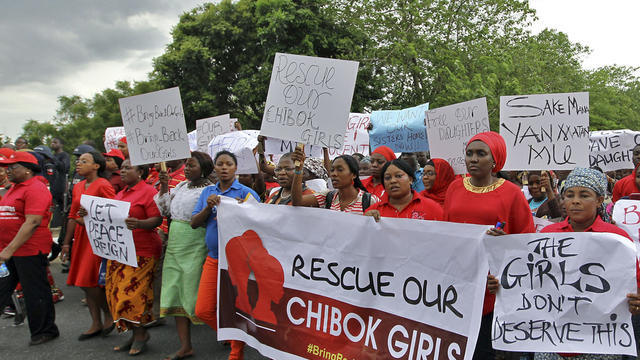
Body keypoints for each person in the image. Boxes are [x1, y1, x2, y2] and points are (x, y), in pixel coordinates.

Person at [443, 131, 534, 360]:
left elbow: (527, 241)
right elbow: (444, 230)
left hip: (493, 288)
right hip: (459, 281)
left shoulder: (512, 193)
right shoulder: (454, 187)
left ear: (495, 160)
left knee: (483, 350)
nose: (473, 159)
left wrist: (505, 242)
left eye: (481, 154)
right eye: (469, 153)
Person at [532, 167, 640, 360]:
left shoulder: (617, 239)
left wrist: (636, 301)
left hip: (600, 343)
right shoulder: (548, 236)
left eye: (584, 195)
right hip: (552, 342)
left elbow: (635, 284)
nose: (575, 201)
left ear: (599, 200)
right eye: (569, 195)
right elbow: (531, 282)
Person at [191, 150, 260, 360]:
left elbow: (260, 222)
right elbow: (194, 223)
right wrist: (208, 208)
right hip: (213, 258)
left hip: (237, 263)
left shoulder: (246, 193)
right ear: (214, 168)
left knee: (234, 309)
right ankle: (234, 338)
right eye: (219, 164)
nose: (223, 167)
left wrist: (242, 211)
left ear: (235, 168)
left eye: (228, 164)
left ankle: (236, 353)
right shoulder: (207, 193)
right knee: (203, 310)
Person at [155, 152, 213, 360]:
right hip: (175, 243)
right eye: (186, 165)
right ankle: (185, 345)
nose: (187, 169)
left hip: (196, 243)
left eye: (192, 165)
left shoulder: (209, 191)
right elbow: (164, 209)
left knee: (197, 294)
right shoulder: (180, 187)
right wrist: (164, 186)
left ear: (204, 169)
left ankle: (227, 334)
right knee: (176, 290)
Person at [0, 151, 59, 345]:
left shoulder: (35, 188)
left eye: (13, 167)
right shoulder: (14, 188)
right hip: (10, 250)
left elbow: (32, 221)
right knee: (3, 289)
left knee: (35, 292)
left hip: (29, 250)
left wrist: (9, 249)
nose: (8, 170)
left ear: (27, 170)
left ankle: (45, 330)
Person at [106, 160, 163, 355]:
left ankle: (140, 335)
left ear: (140, 172)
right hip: (121, 252)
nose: (122, 171)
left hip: (143, 251)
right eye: (121, 168)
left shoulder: (148, 192)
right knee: (116, 294)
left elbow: (157, 219)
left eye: (127, 168)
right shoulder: (120, 194)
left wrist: (139, 223)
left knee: (132, 295)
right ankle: (135, 334)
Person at [61, 151, 115, 340]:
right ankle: (95, 323)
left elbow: (112, 213)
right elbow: (72, 217)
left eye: (84, 161)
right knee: (83, 283)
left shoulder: (103, 185)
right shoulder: (79, 187)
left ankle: (108, 313)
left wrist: (90, 217)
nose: (78, 164)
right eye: (78, 161)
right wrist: (66, 243)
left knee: (89, 281)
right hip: (81, 238)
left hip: (97, 239)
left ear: (96, 166)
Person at [291, 150, 378, 213]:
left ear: (354, 174)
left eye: (340, 170)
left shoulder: (369, 201)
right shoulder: (327, 197)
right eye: (332, 170)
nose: (334, 174)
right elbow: (297, 201)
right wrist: (298, 169)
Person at [365, 159, 443, 221]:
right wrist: (366, 221)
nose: (393, 181)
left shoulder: (432, 208)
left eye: (398, 176)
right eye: (388, 178)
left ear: (410, 179)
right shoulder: (373, 211)